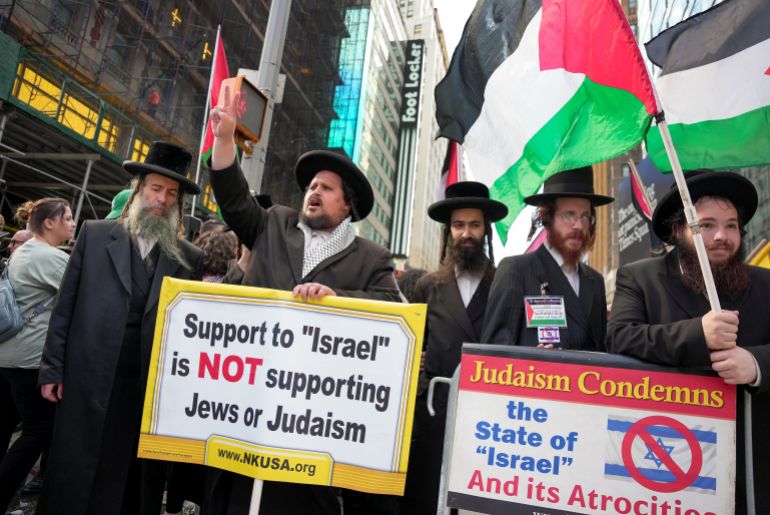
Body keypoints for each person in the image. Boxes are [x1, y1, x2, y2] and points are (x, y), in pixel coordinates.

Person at [204, 87, 401, 515]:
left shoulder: (372, 258)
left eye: (327, 188)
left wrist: (336, 299)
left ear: (347, 204)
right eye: (312, 185)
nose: (314, 192)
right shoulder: (274, 223)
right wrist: (223, 140)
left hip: (316, 416)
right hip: (251, 398)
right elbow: (235, 200)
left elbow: (391, 312)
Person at [35, 141, 204, 515]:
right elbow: (65, 308)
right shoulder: (95, 236)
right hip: (87, 375)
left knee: (128, 478)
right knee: (74, 470)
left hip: (144, 387)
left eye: (172, 193)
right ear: (140, 190)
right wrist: (52, 368)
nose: (163, 199)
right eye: (156, 189)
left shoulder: (189, 257)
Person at [606, 170, 770, 514]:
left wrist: (756, 364)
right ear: (680, 229)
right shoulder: (640, 278)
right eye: (706, 225)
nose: (721, 236)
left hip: (753, 466)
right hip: (669, 462)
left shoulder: (765, 283)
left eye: (731, 225)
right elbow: (620, 337)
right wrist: (698, 333)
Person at [401, 181, 507, 515]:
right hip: (434, 415)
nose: (467, 233)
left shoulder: (504, 283)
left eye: (474, 225)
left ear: (486, 231)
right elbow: (415, 346)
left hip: (484, 418)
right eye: (459, 225)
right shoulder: (427, 286)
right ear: (449, 232)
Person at [482, 167, 611, 350]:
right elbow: (493, 354)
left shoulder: (595, 281)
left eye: (585, 217)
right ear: (546, 217)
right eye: (569, 215)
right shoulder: (516, 270)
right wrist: (533, 364)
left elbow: (601, 352)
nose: (578, 225)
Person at [0, 199, 74, 513]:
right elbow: (80, 291)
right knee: (37, 433)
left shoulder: (24, 250)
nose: (72, 224)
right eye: (68, 218)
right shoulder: (48, 256)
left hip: (8, 355)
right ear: (49, 222)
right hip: (31, 359)